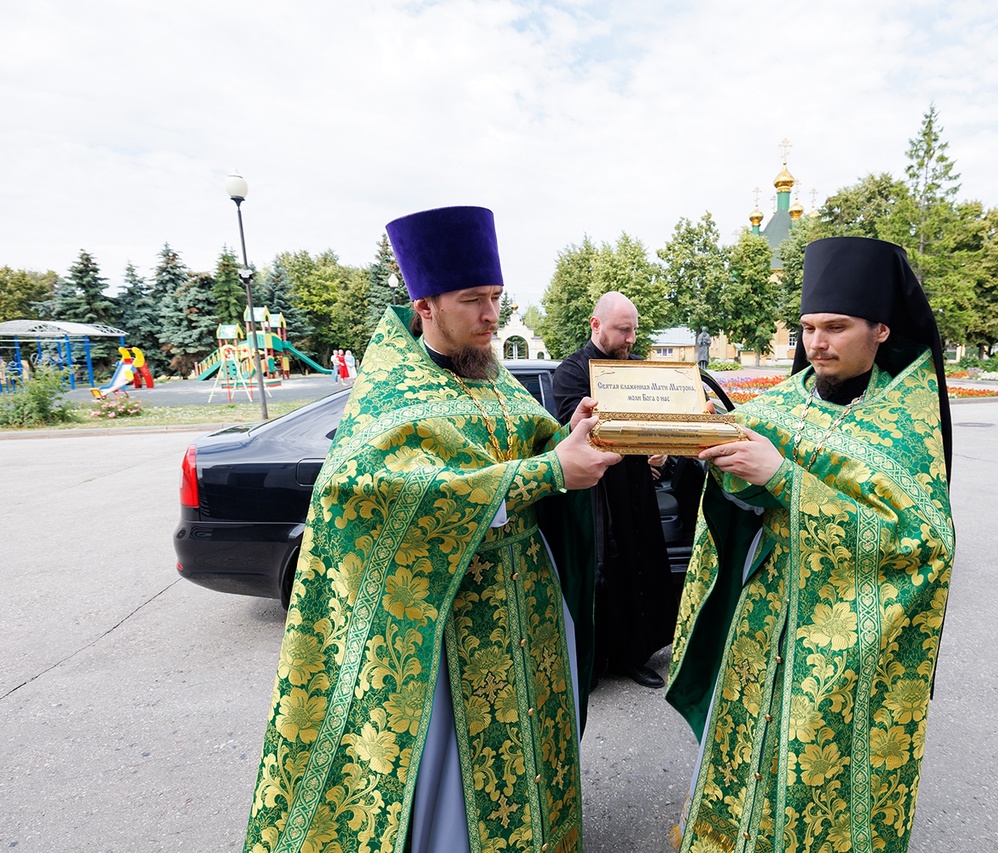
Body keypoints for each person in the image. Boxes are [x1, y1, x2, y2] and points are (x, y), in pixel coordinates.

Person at [241, 205, 621, 853]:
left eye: (496, 297)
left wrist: (571, 431)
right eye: (472, 299)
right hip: (446, 628)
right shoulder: (394, 389)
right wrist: (549, 472)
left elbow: (528, 445)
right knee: (451, 796)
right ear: (425, 305)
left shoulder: (491, 374)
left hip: (524, 622)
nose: (490, 315)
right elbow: (376, 492)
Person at [665, 236, 955, 853]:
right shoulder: (779, 405)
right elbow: (736, 494)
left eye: (836, 327)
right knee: (742, 758)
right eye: (808, 327)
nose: (817, 342)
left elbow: (923, 541)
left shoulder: (904, 417)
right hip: (763, 623)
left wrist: (783, 478)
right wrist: (695, 455)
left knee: (815, 779)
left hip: (845, 637)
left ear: (880, 330)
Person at [551, 291, 675, 689]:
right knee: (603, 576)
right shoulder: (571, 372)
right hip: (596, 496)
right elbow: (574, 431)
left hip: (637, 489)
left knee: (640, 569)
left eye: (633, 330)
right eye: (623, 330)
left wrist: (662, 455)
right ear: (596, 324)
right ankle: (595, 660)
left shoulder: (638, 369)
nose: (630, 339)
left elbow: (664, 422)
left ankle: (634, 656)